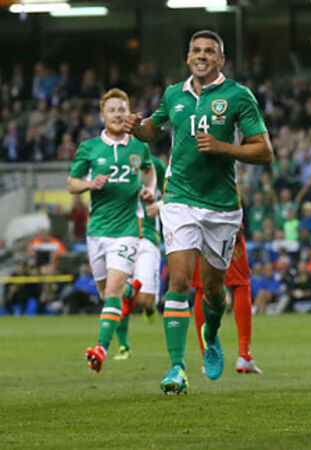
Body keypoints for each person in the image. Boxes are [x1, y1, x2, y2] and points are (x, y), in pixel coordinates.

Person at [122, 29, 273, 393]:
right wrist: (136, 128)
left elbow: (264, 152)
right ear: (188, 57)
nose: (201, 55)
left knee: (215, 290)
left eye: (209, 51)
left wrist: (224, 147)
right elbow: (153, 129)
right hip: (179, 200)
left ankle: (212, 332)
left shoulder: (238, 96)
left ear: (221, 59)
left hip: (221, 207)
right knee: (178, 281)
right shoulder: (173, 94)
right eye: (196, 50)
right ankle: (177, 367)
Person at [67, 88, 156, 372]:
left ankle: (101, 349)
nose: (117, 114)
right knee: (107, 294)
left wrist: (149, 190)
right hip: (97, 231)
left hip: (127, 229)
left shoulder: (139, 146)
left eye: (122, 110)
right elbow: (72, 183)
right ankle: (130, 291)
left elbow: (149, 171)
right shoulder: (89, 148)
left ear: (128, 114)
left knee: (114, 291)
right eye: (112, 110)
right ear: (103, 116)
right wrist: (90, 184)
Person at [113, 154, 168, 361]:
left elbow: (173, 194)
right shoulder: (115, 163)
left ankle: (150, 308)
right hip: (121, 235)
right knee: (118, 290)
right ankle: (123, 345)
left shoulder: (156, 165)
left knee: (144, 300)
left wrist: (159, 206)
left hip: (147, 237)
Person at [191, 228, 263, 374]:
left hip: (199, 225)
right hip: (224, 221)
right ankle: (244, 354)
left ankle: (207, 358)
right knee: (240, 284)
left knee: (202, 286)